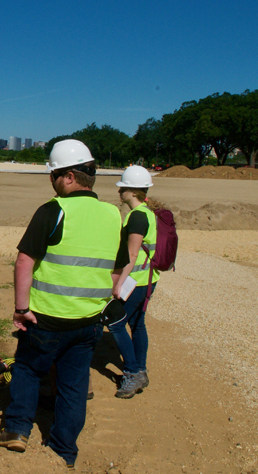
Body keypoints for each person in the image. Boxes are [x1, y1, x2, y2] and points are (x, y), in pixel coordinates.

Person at [0, 140, 128, 468]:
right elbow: (117, 270)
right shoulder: (112, 214)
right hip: (88, 322)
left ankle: (17, 430)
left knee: (26, 367)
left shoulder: (54, 210)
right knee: (74, 383)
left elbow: (25, 261)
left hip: (46, 319)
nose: (50, 182)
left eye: (52, 175)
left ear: (68, 177)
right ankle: (64, 450)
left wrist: (21, 308)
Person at [110, 165, 158, 399]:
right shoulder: (148, 213)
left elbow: (131, 254)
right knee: (138, 324)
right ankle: (141, 368)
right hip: (148, 279)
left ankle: (133, 371)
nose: (119, 193)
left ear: (132, 191)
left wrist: (118, 283)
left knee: (116, 323)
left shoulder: (138, 216)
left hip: (136, 282)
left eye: (122, 188)